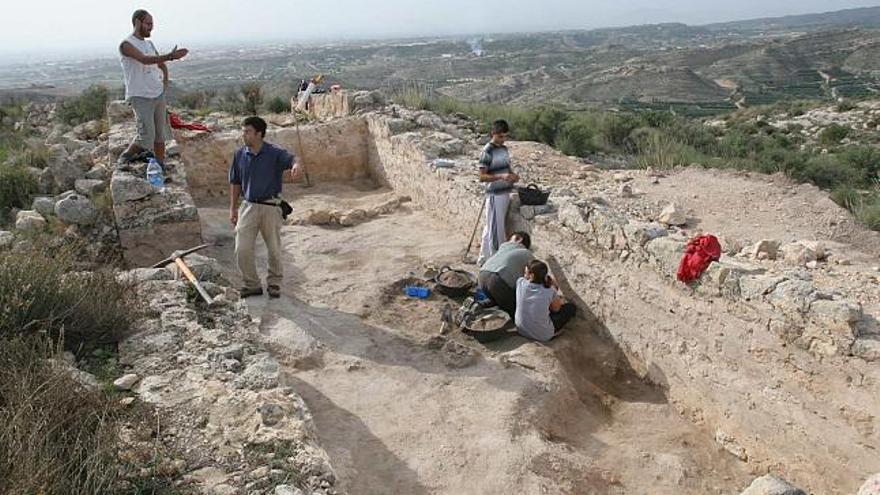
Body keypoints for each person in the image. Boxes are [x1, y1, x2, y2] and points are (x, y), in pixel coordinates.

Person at [229, 116, 302, 298]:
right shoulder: (239, 155)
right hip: (248, 206)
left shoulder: (274, 153)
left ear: (259, 134)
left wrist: (296, 166)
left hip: (271, 206)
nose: (243, 135)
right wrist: (232, 208)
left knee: (274, 248)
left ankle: (274, 283)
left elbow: (293, 158)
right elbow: (235, 182)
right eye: (243, 131)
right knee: (242, 248)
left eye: (247, 132)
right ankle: (252, 284)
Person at [117, 9, 189, 167]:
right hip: (141, 96)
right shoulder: (126, 45)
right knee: (146, 136)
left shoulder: (149, 44)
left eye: (152, 24)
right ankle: (125, 157)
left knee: (160, 135)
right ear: (137, 22)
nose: (151, 27)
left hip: (157, 94)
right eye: (148, 24)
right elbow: (144, 60)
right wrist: (170, 56)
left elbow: (160, 65)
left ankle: (160, 165)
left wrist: (164, 84)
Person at [477, 119, 520, 266]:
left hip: (505, 192)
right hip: (495, 195)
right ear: (493, 134)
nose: (503, 140)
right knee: (497, 231)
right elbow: (482, 177)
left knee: (491, 227)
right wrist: (501, 177)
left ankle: (484, 259)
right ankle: (496, 262)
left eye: (505, 136)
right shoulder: (487, 151)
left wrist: (513, 176)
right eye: (500, 136)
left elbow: (507, 169)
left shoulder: (504, 149)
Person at [515, 260, 577, 342]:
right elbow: (556, 309)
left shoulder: (520, 282)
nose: (524, 275)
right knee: (570, 308)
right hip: (543, 335)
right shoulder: (549, 291)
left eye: (525, 272)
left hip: (521, 330)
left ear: (532, 275)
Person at [478, 231, 533, 316]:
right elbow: (535, 275)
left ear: (519, 239)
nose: (508, 241)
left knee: (499, 299)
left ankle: (481, 305)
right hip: (497, 282)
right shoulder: (527, 254)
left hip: (482, 276)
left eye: (510, 239)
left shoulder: (503, 248)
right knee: (517, 310)